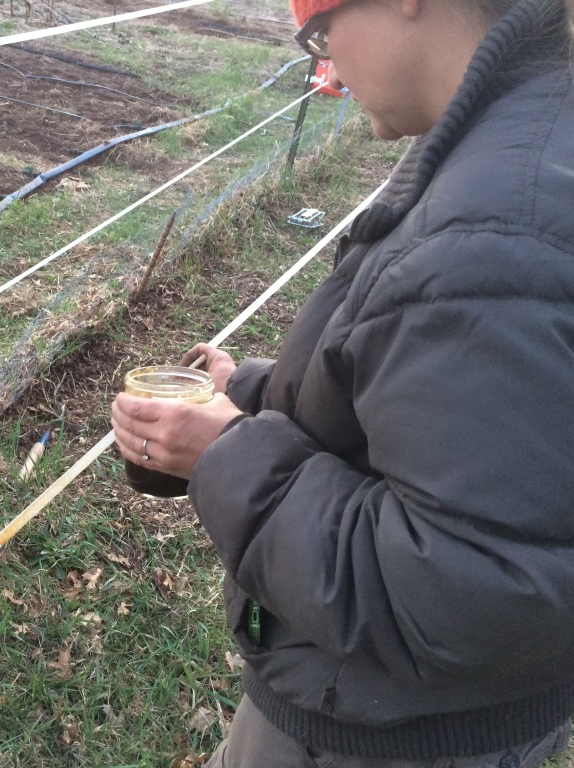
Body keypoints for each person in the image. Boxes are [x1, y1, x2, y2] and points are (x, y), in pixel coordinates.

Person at [110, 0, 574, 765]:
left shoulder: (494, 233)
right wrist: (255, 392)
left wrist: (226, 452)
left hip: (384, 734)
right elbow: (435, 415)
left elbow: (460, 587)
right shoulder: (521, 138)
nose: (326, 67)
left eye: (322, 33)